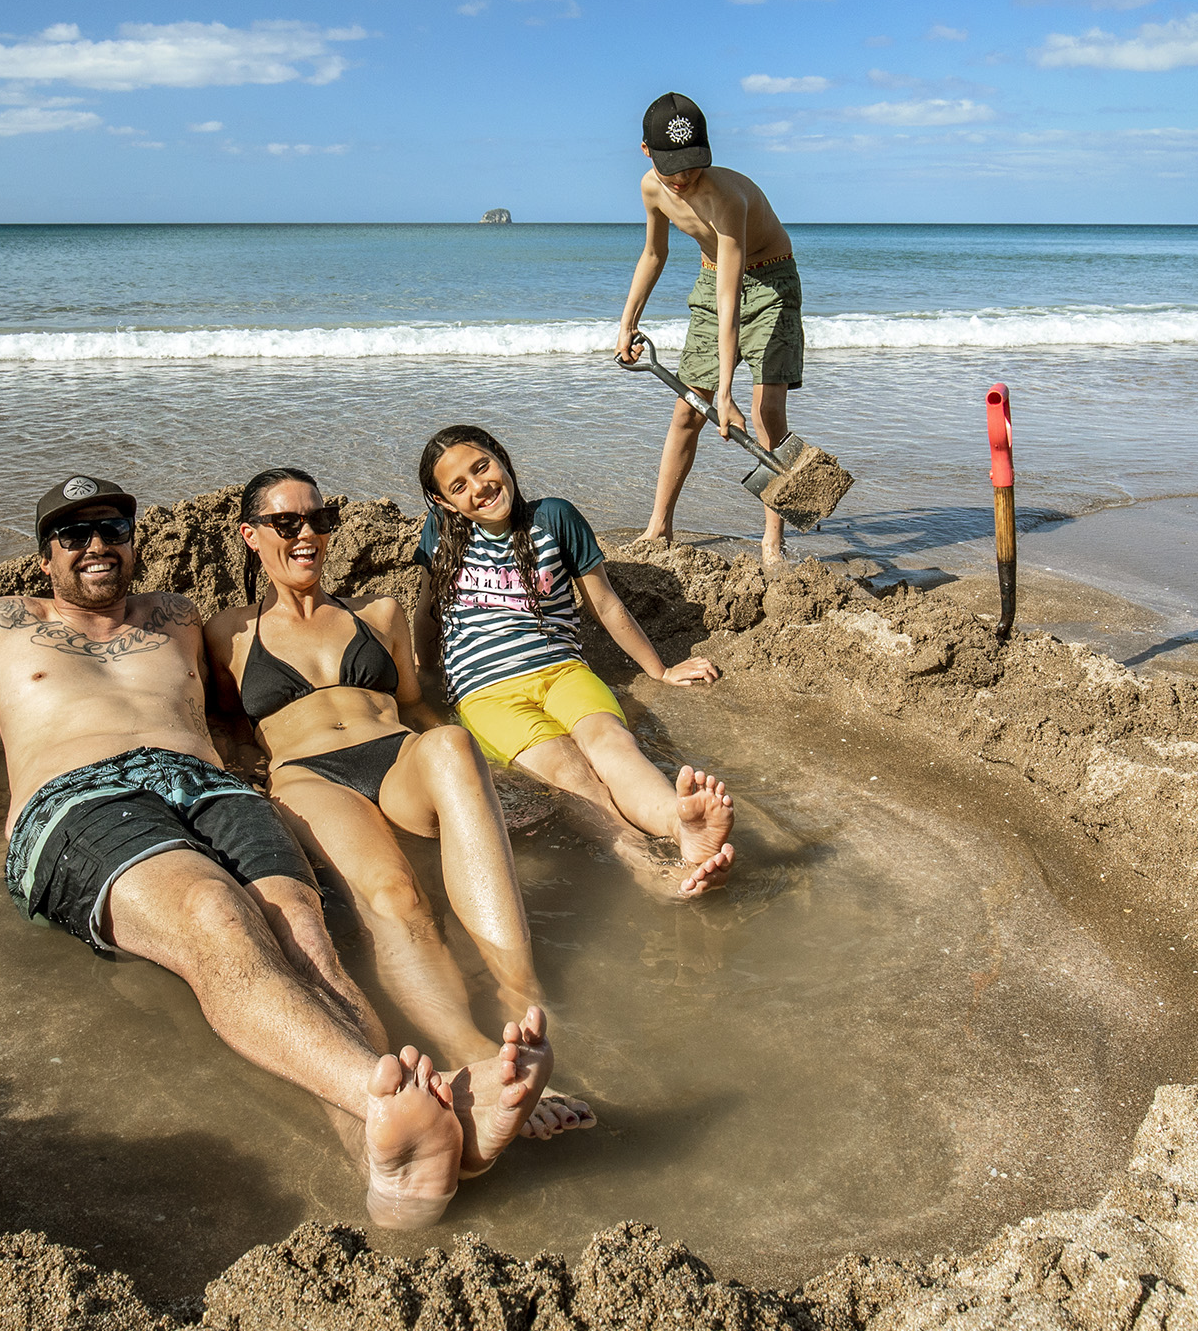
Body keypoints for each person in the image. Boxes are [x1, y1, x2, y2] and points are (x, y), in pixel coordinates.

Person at [0, 473, 552, 1228]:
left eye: (112, 527)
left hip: (210, 788)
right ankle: (405, 1098)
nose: (96, 545)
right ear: (45, 554)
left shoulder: (179, 617)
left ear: (134, 539)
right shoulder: (1, 622)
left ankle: (398, 1173)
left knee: (310, 945)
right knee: (216, 912)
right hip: (80, 797)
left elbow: (255, 707)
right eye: (73, 534)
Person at [208, 467, 596, 1139]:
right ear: (251, 535)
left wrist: (484, 774)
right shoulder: (228, 633)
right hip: (308, 776)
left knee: (447, 742)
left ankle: (521, 994)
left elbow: (416, 705)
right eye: (287, 522)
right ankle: (468, 1048)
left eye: (319, 519)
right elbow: (223, 725)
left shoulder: (378, 613)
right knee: (395, 893)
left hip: (395, 756)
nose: (308, 534)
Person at [415, 424, 736, 898]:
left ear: (502, 459)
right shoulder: (440, 533)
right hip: (484, 691)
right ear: (444, 502)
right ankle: (643, 863)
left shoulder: (555, 517)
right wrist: (423, 675)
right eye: (458, 485)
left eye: (481, 467)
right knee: (569, 771)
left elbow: (605, 604)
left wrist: (661, 670)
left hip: (562, 670)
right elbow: (427, 608)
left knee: (612, 742)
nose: (478, 486)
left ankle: (680, 822)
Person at [612, 91, 807, 566]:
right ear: (646, 152)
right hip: (711, 277)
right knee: (686, 413)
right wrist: (627, 323)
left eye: (692, 167)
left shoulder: (724, 197)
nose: (681, 179)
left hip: (769, 283)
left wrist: (726, 394)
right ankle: (659, 527)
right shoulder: (651, 189)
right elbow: (654, 255)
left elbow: (731, 298)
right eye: (670, 167)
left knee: (766, 412)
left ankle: (772, 541)